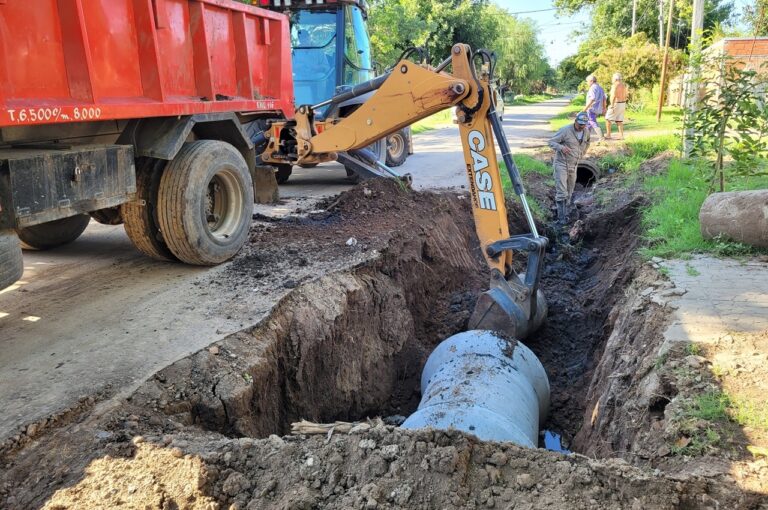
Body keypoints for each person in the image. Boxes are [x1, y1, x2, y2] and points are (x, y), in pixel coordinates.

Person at [548, 112, 591, 223]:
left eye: (583, 125)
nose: (581, 126)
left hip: (574, 165)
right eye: (580, 124)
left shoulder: (586, 131)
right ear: (575, 121)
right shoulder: (565, 130)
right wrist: (561, 147)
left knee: (570, 190)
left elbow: (587, 143)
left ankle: (567, 214)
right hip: (561, 164)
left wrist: (582, 153)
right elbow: (551, 142)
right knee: (562, 192)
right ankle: (561, 219)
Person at [605, 72, 628, 140]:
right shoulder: (623, 85)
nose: (612, 79)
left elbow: (613, 96)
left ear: (615, 79)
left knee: (608, 119)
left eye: (612, 78)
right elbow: (626, 95)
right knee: (619, 120)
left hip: (616, 103)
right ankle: (621, 136)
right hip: (623, 103)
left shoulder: (615, 85)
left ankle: (608, 135)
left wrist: (612, 105)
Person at [584, 74, 606, 140]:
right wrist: (604, 108)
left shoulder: (592, 88)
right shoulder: (600, 88)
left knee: (592, 122)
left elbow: (592, 98)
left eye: (587, 81)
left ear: (591, 81)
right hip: (598, 108)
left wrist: (585, 108)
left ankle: (601, 137)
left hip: (592, 108)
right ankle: (586, 138)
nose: (587, 83)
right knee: (589, 123)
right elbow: (604, 99)